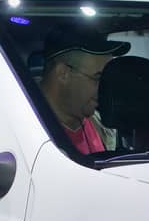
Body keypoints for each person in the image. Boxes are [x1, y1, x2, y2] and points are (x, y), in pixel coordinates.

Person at [37, 27, 128, 155]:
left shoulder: (102, 125)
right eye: (97, 77)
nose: (105, 89)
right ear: (63, 73)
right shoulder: (24, 130)